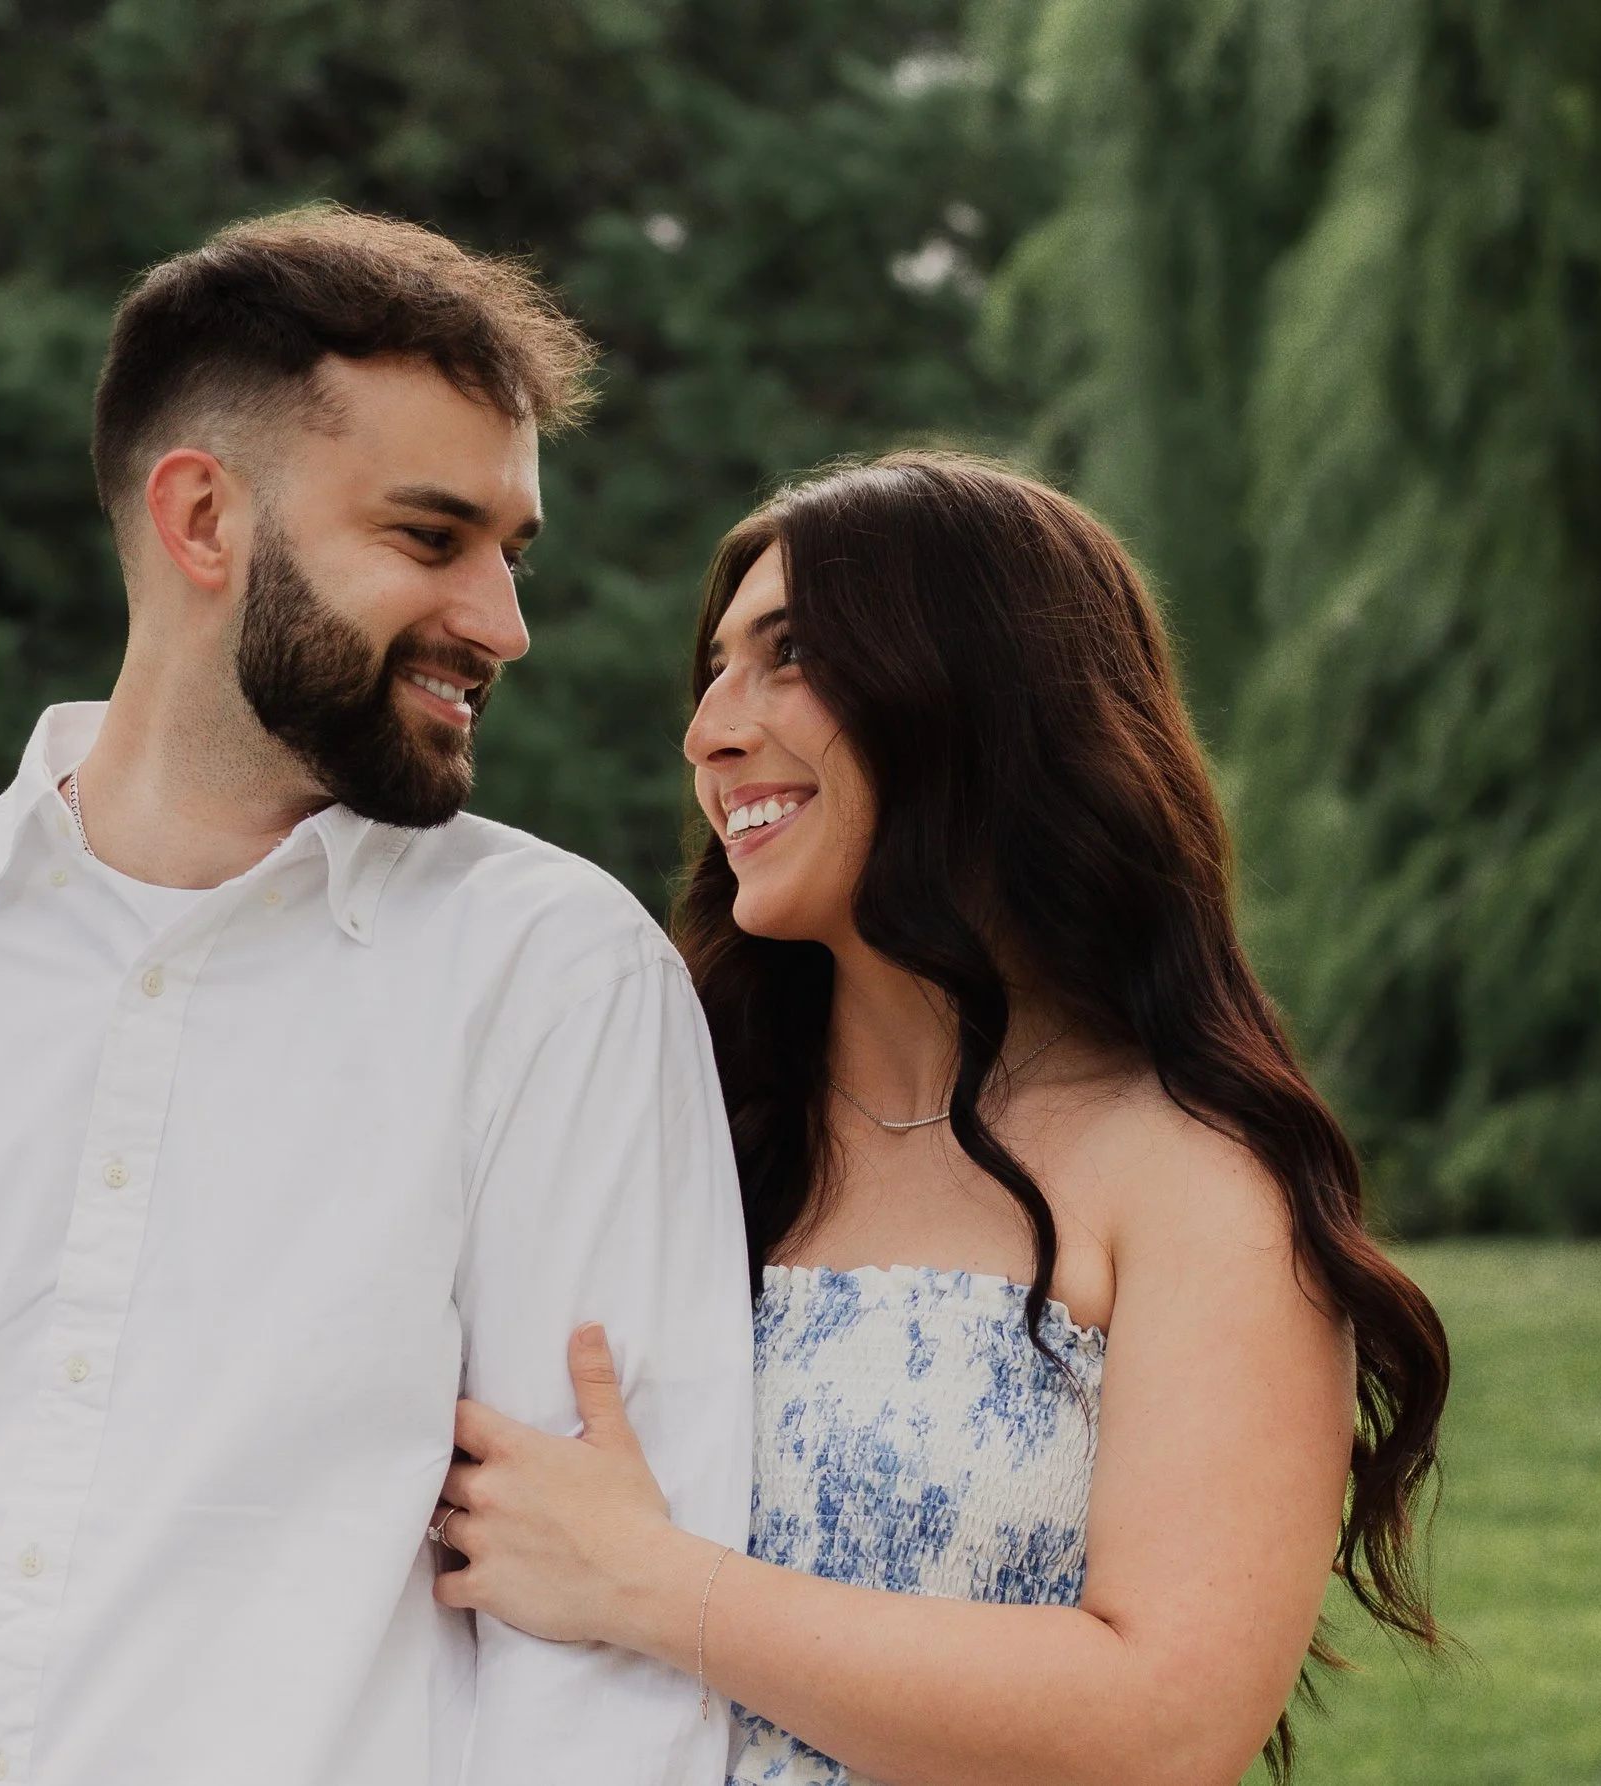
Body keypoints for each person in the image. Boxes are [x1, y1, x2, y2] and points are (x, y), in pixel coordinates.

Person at [0, 208, 755, 1786]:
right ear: (204, 517)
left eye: (511, 551)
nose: (504, 621)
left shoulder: (553, 976)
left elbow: (608, 1665)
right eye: (433, 539)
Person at [424, 452, 1451, 1785]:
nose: (711, 730)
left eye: (790, 654)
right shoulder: (672, 1124)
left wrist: (649, 1582)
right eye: (715, 671)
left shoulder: (1194, 1174)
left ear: (982, 700)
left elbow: (1169, 1718)